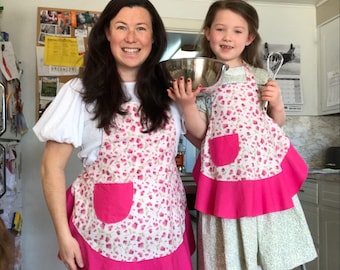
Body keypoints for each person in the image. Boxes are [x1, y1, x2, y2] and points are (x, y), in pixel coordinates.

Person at [33, 0, 195, 269]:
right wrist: (63, 235)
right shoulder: (80, 92)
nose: (131, 38)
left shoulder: (171, 93)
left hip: (166, 234)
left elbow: (204, 142)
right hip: (105, 241)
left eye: (141, 28)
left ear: (153, 37)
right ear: (107, 33)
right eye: (122, 27)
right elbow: (51, 167)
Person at [167, 0, 317, 269]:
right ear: (208, 32)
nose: (228, 37)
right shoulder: (203, 78)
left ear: (249, 38)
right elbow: (202, 133)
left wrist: (278, 103)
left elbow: (275, 123)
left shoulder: (260, 75)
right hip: (225, 175)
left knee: (269, 249)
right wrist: (188, 105)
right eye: (221, 29)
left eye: (237, 31)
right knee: (230, 249)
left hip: (264, 173)